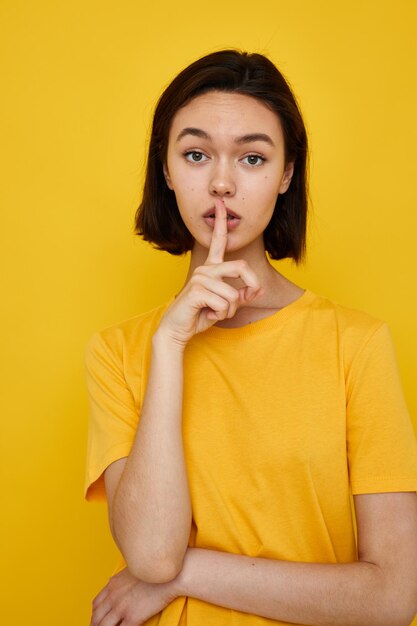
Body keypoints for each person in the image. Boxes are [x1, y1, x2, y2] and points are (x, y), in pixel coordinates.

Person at [84, 50, 417, 626]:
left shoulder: (356, 344)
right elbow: (150, 553)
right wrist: (170, 346)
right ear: (165, 169)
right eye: (194, 154)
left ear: (286, 174)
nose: (220, 183)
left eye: (253, 158)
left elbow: (393, 597)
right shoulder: (119, 352)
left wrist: (185, 575)